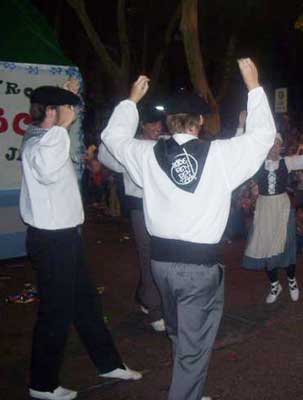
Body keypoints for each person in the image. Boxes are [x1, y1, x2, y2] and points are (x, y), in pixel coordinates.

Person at [101, 59, 275, 400]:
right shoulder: (220, 155)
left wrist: (130, 101)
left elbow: (112, 137)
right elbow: (263, 136)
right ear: (198, 122)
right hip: (198, 268)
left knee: (181, 334)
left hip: (161, 264)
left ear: (168, 122)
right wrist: (254, 87)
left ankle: (189, 389)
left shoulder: (147, 153)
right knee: (194, 347)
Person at [21, 86, 141, 400]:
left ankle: (108, 363)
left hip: (64, 238)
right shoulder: (40, 142)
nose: (73, 117)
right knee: (55, 313)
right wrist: (59, 124)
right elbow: (47, 169)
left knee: (86, 305)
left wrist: (65, 100)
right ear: (51, 112)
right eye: (66, 110)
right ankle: (42, 383)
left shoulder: (46, 137)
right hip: (52, 240)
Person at [242, 125, 303, 304]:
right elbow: (239, 156)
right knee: (264, 248)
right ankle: (275, 284)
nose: (274, 148)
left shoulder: (287, 162)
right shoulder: (257, 164)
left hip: (281, 208)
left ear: (281, 146)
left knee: (285, 246)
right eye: (271, 145)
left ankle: (292, 280)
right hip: (264, 209)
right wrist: (241, 127)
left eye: (277, 144)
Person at [98, 104, 166, 332]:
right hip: (140, 208)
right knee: (148, 257)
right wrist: (122, 129)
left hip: (164, 208)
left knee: (161, 257)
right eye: (153, 123)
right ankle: (155, 310)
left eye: (159, 123)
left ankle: (145, 298)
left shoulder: (165, 144)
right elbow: (105, 155)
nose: (158, 127)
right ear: (142, 125)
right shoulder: (130, 147)